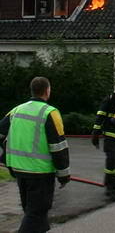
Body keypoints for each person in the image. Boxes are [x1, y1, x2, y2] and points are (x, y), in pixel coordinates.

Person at [0, 76, 70, 233]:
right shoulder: (50, 112)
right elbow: (58, 147)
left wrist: (6, 154)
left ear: (32, 91)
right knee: (35, 214)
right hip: (40, 172)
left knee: (33, 212)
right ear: (47, 91)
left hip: (18, 169)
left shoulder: (16, 110)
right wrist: (64, 175)